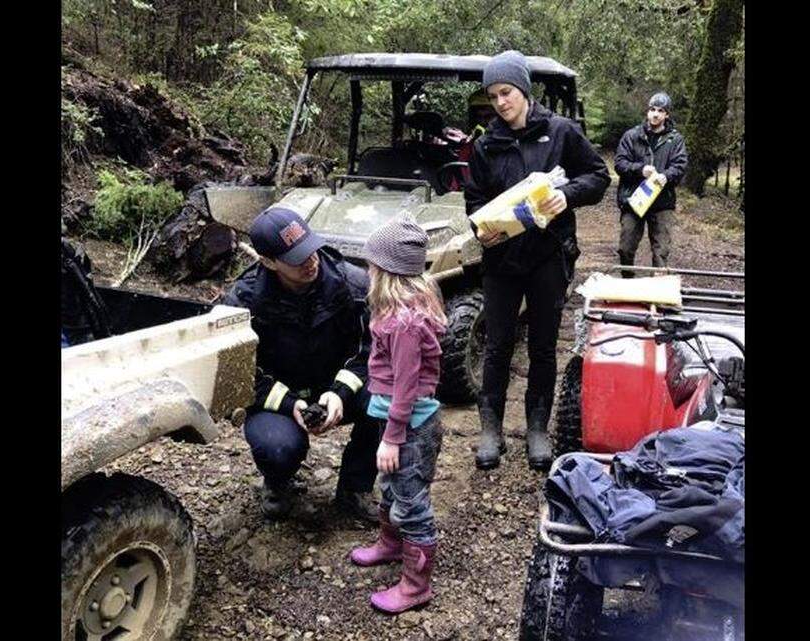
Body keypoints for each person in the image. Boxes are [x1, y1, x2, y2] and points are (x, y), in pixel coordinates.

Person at [464, 50, 610, 471]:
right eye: (493, 95)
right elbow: (473, 199)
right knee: (497, 345)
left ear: (524, 90)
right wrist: (480, 228)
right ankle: (490, 429)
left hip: (549, 256)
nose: (500, 102)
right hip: (502, 260)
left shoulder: (560, 132)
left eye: (506, 92)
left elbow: (598, 176)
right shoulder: (486, 145)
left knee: (543, 346)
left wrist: (567, 195)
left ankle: (537, 429)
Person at [221, 206, 380, 522]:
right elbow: (237, 374)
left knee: (386, 402)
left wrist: (339, 392)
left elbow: (372, 349)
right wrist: (289, 404)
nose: (311, 261)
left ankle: (355, 487)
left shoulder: (354, 284)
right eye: (297, 258)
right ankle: (278, 482)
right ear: (268, 262)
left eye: (311, 249)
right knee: (276, 447)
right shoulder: (242, 303)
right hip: (279, 398)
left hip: (335, 386)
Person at [348, 215, 446, 614]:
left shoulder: (404, 323)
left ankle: (416, 586)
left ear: (385, 271)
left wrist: (392, 437)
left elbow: (406, 386)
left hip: (410, 427)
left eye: (371, 265)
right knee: (391, 487)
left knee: (411, 501)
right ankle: (390, 544)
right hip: (396, 419)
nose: (367, 271)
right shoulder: (395, 313)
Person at [613, 92, 689, 277]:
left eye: (660, 111)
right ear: (647, 111)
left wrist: (666, 176)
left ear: (666, 114)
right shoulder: (632, 135)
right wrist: (640, 169)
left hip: (662, 202)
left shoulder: (675, 139)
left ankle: (657, 288)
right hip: (634, 200)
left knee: (661, 251)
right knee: (625, 247)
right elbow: (620, 163)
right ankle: (627, 282)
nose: (655, 114)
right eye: (652, 109)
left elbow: (680, 165)